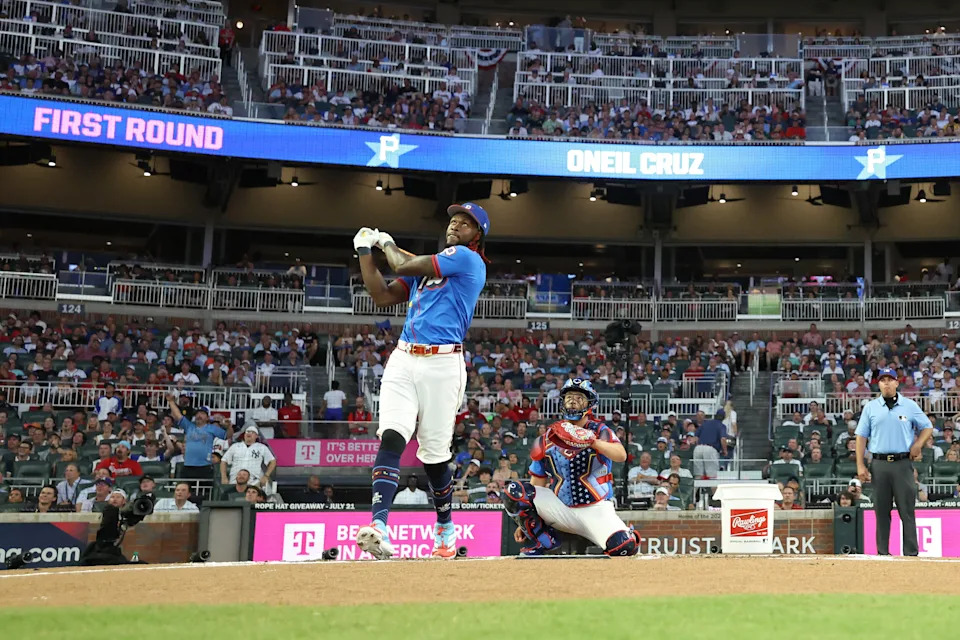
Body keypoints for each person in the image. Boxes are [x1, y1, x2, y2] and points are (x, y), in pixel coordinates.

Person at [352, 203, 490, 560]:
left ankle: (444, 526)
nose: (455, 225)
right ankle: (379, 525)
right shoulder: (426, 268)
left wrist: (384, 242)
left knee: (434, 457)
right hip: (404, 356)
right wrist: (364, 252)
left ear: (477, 235)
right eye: (453, 221)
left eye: (465, 223)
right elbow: (382, 295)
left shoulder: (468, 259)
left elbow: (399, 263)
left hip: (443, 364)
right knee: (392, 435)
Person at [503, 378, 641, 556]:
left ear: (590, 404)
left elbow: (621, 455)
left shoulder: (599, 430)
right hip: (559, 507)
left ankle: (625, 535)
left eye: (579, 398)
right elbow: (537, 481)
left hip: (596, 508)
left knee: (623, 547)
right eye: (569, 398)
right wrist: (526, 522)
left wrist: (592, 441)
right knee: (514, 491)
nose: (573, 402)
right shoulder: (546, 438)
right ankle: (544, 541)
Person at [855, 367, 933, 556]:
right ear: (878, 384)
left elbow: (927, 426)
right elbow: (861, 436)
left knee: (907, 510)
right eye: (883, 380)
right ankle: (883, 553)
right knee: (881, 510)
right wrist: (860, 465)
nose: (886, 383)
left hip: (902, 463)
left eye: (890, 379)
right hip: (879, 464)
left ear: (897, 383)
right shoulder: (871, 407)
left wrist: (918, 444)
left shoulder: (909, 405)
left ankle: (911, 553)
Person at [165, 393, 231, 479]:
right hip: (188, 466)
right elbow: (178, 415)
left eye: (202, 413)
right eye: (197, 414)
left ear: (207, 417)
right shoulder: (189, 426)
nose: (199, 415)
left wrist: (229, 427)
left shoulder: (212, 428)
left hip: (205, 466)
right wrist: (171, 401)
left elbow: (227, 436)